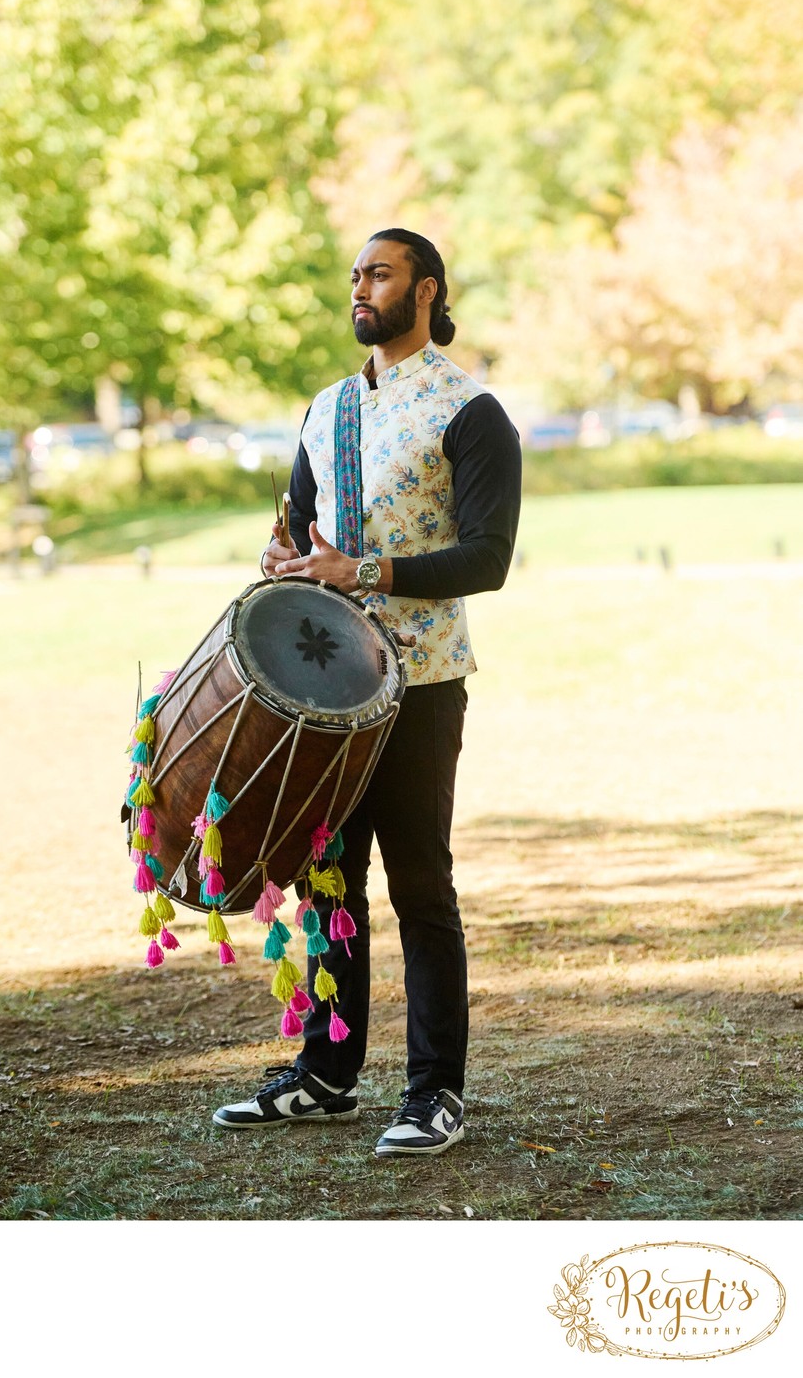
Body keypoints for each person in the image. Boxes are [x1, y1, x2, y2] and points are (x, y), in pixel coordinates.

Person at [213, 228, 522, 1157]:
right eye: (354, 274)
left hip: (421, 683)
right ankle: (326, 1074)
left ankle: (434, 1094)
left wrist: (365, 570)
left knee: (420, 886)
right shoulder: (325, 408)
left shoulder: (471, 410)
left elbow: (487, 558)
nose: (360, 287)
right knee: (326, 879)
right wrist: (286, 557)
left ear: (425, 290)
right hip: (321, 690)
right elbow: (300, 532)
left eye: (378, 273)